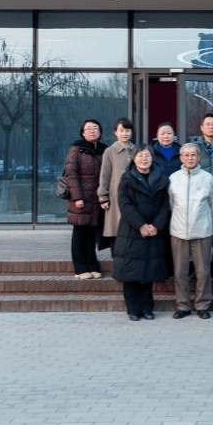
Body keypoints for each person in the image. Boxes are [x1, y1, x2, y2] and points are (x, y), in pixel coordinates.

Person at [111, 146, 170, 321]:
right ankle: (133, 310)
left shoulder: (161, 179)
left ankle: (147, 309)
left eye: (147, 155)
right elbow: (125, 205)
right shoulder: (126, 179)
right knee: (130, 273)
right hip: (131, 231)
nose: (144, 159)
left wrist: (156, 225)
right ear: (134, 158)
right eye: (140, 155)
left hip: (153, 232)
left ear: (152, 158)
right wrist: (141, 225)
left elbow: (165, 205)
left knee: (148, 272)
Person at [169, 143, 213, 319]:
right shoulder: (173, 178)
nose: (190, 158)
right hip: (179, 231)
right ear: (181, 158)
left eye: (193, 155)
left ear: (199, 157)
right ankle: (182, 306)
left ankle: (202, 305)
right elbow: (171, 204)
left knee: (203, 271)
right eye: (186, 155)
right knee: (180, 272)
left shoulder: (208, 178)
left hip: (202, 232)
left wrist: (204, 222)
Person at [63, 119, 107, 279]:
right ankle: (80, 268)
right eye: (89, 128)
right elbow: (71, 174)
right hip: (81, 198)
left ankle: (92, 265)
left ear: (100, 132)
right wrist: (77, 197)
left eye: (95, 128)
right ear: (83, 132)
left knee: (92, 233)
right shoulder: (76, 149)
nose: (92, 131)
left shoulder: (104, 149)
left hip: (96, 199)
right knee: (80, 233)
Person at [189, 112, 213, 278]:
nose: (211, 127)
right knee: (198, 235)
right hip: (200, 198)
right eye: (208, 124)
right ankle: (197, 268)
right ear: (202, 127)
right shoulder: (195, 148)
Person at [97, 117, 136, 252]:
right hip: (115, 198)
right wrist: (103, 197)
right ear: (115, 132)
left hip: (134, 197)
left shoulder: (136, 150)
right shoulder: (110, 151)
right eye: (121, 130)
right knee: (116, 230)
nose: (124, 133)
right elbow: (105, 175)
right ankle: (117, 261)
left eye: (127, 130)